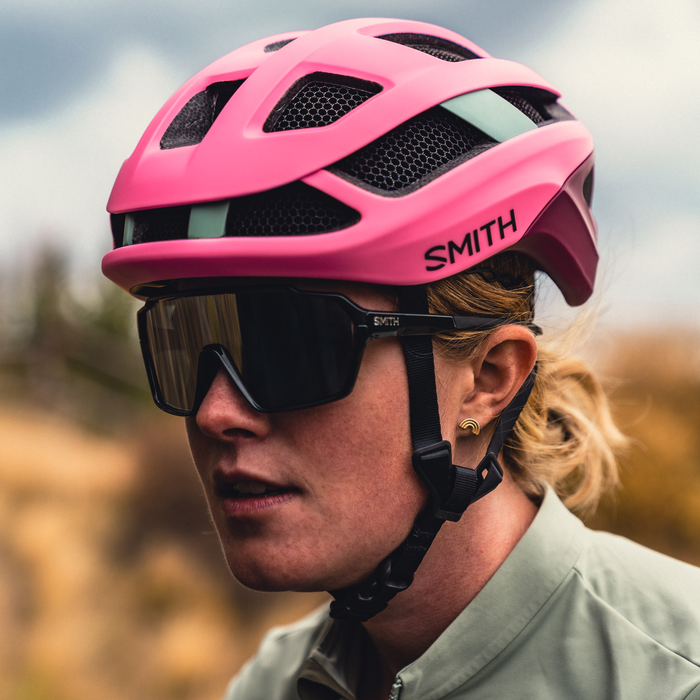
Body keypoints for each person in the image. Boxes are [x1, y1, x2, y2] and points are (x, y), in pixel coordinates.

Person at [102, 18, 700, 700]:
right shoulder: (271, 683)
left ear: (487, 380)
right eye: (183, 342)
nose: (215, 412)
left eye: (291, 347)